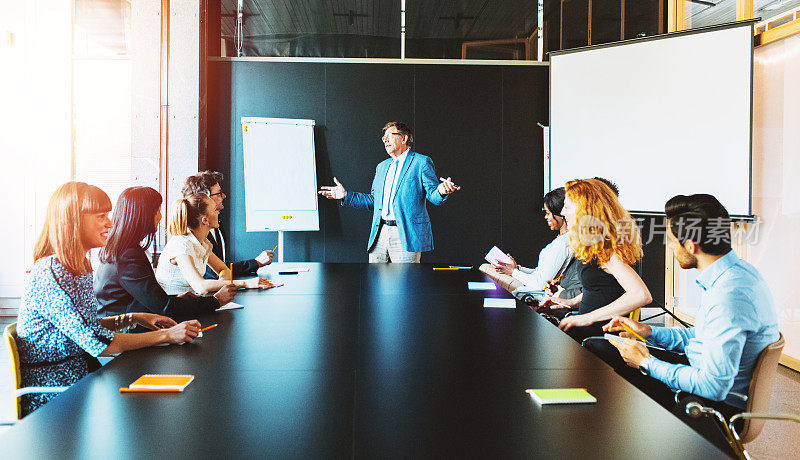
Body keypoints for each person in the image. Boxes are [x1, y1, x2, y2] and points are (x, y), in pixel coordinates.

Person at [598, 194, 779, 450]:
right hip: (704, 376)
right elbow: (703, 336)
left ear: (691, 245)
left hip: (712, 405)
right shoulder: (734, 275)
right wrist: (648, 331)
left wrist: (646, 362)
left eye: (671, 242)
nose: (670, 248)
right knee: (602, 346)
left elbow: (713, 386)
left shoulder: (729, 296)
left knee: (605, 357)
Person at [15, 182, 201, 417]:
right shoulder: (51, 271)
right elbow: (99, 344)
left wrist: (133, 318)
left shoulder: (78, 266)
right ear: (74, 220)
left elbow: (85, 327)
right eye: (101, 216)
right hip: (57, 394)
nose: (110, 223)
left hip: (82, 377)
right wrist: (167, 335)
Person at [318, 121, 460, 263]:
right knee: (376, 282)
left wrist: (441, 191)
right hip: (379, 233)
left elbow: (433, 196)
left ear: (404, 138)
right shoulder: (382, 167)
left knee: (404, 283)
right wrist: (346, 196)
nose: (385, 140)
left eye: (390, 136)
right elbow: (373, 201)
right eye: (383, 137)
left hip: (405, 234)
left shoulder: (421, 162)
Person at [95, 186, 238, 322]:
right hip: (125, 334)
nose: (160, 216)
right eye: (157, 211)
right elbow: (165, 308)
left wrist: (179, 298)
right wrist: (216, 301)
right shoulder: (128, 255)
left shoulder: (122, 249)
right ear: (144, 215)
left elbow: (150, 301)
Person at [549, 178, 652, 341]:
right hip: (586, 333)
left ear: (584, 209)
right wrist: (572, 302)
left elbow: (641, 295)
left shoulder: (606, 249)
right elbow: (601, 288)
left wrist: (586, 318)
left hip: (595, 338)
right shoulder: (595, 245)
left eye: (567, 207)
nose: (562, 213)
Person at [156, 194, 261, 295]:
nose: (218, 213)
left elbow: (224, 270)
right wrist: (245, 283)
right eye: (215, 210)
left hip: (188, 303)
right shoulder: (182, 245)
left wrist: (222, 286)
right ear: (205, 220)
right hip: (171, 309)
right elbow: (200, 286)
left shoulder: (203, 243)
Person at [182, 171, 273, 277]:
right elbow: (211, 273)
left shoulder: (215, 222)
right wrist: (256, 262)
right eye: (219, 193)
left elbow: (221, 269)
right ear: (205, 198)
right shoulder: (192, 234)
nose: (224, 196)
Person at [494, 187, 573, 291]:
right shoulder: (563, 239)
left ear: (561, 214)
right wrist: (517, 268)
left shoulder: (563, 243)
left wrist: (513, 272)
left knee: (487, 269)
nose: (546, 217)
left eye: (548, 213)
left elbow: (540, 283)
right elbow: (539, 273)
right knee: (488, 269)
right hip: (536, 286)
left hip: (539, 293)